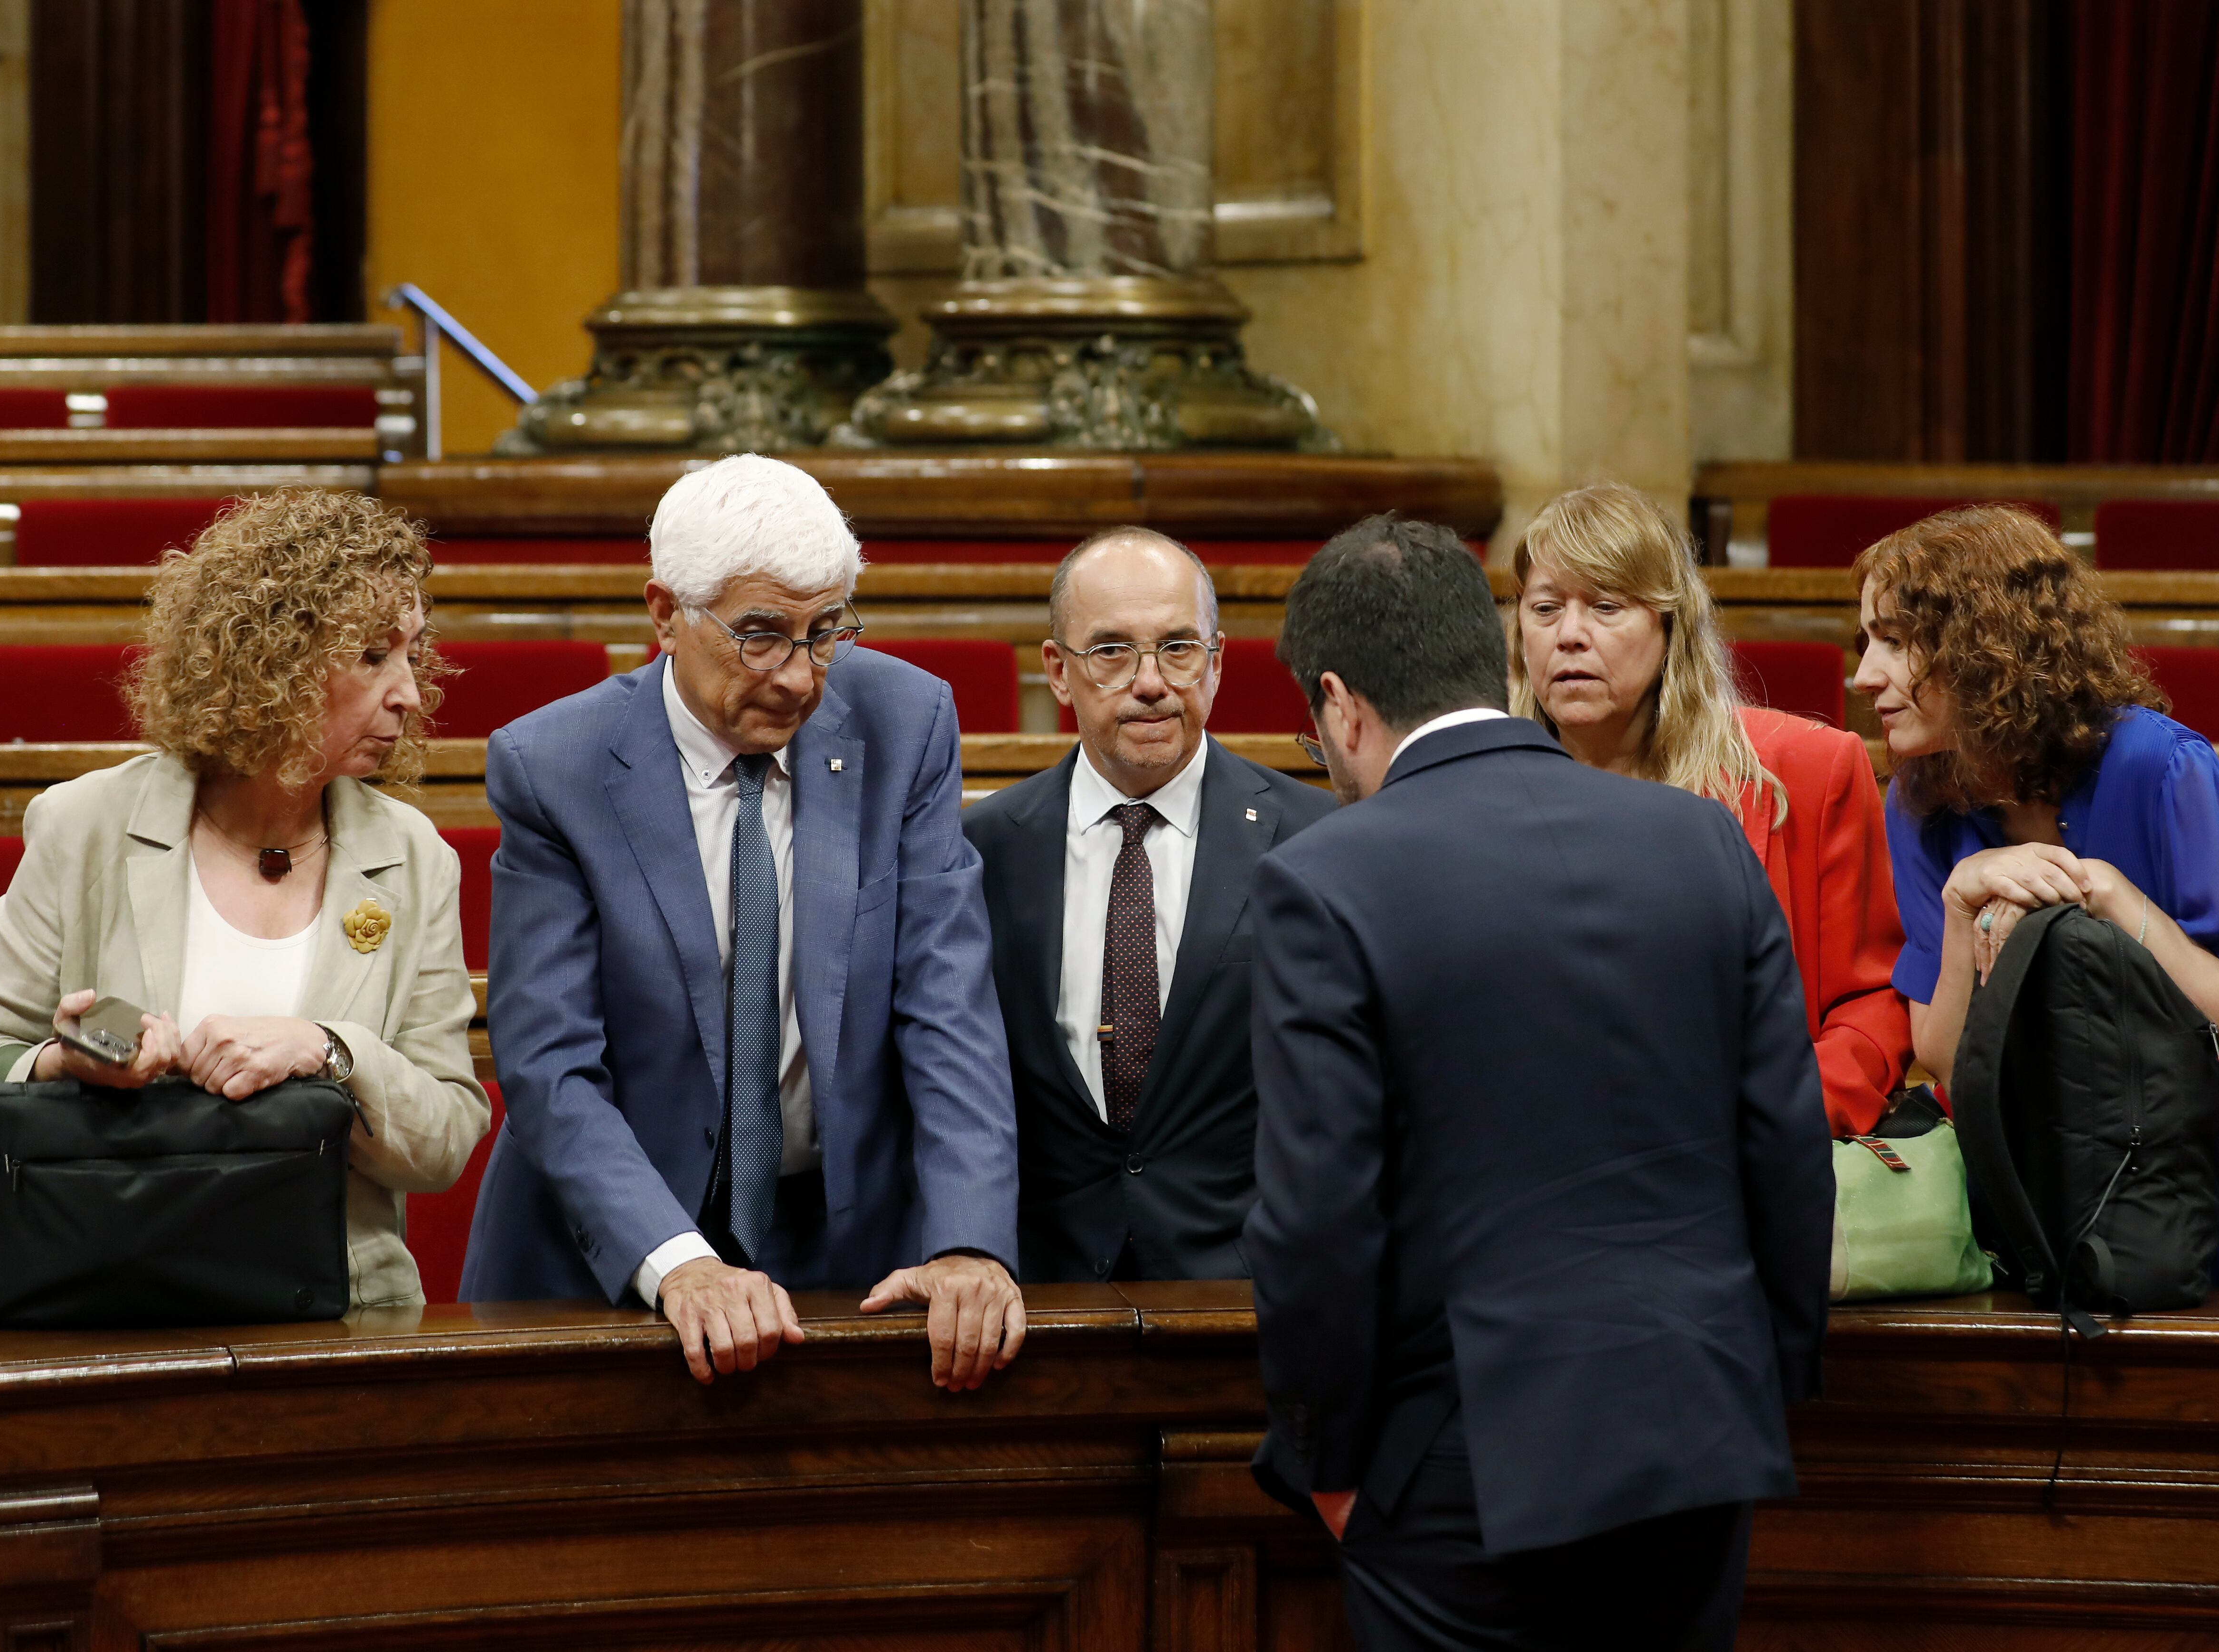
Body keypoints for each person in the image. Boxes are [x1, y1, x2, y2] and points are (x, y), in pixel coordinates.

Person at [1245, 515, 1832, 1652]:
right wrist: (1769, 1378)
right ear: (1494, 651)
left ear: (1339, 702)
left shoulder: (1323, 876)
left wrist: (1325, 1464)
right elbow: (1785, 1140)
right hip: (1697, 1423)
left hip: (1465, 1450)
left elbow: (1318, 1212)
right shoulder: (1698, 842)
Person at [460, 453, 1027, 1389]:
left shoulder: (906, 721)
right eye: (761, 636)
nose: (801, 678)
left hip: (846, 1251)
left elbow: (948, 1006)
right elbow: (550, 1064)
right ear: (664, 614)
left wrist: (969, 1241)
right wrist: (676, 1261)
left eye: (826, 632)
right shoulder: (553, 764)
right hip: (611, 1262)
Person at [0, 489, 491, 1319]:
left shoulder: (412, 857)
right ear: (273, 658)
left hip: (333, 1310)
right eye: (373, 657)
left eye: (413, 656)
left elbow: (449, 1139)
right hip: (92, 1297)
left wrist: (329, 1051)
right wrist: (66, 1063)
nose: (410, 695)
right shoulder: (84, 826)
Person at [1854, 504, 2219, 1290]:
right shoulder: (1919, 803)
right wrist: (1960, 905)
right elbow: (1942, 1059)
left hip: (2217, 1159)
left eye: (1896, 641)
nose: (1866, 673)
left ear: (1985, 642)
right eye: (1866, 640)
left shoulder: (2160, 767)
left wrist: (2111, 896)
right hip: (2049, 1158)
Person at [962, 527, 1333, 1283]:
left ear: (1218, 663)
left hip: (1250, 1290)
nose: (1152, 681)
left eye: (1178, 648)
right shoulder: (982, 849)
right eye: (1111, 652)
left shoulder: (1316, 842)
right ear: (1058, 673)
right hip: (1038, 1292)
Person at [1513, 482, 1913, 1136]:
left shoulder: (1808, 770)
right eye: (1547, 608)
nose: (1571, 636)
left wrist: (1769, 1119)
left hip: (1747, 1152)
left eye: (1607, 606)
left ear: (1670, 627)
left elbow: (1871, 1007)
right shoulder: (1484, 798)